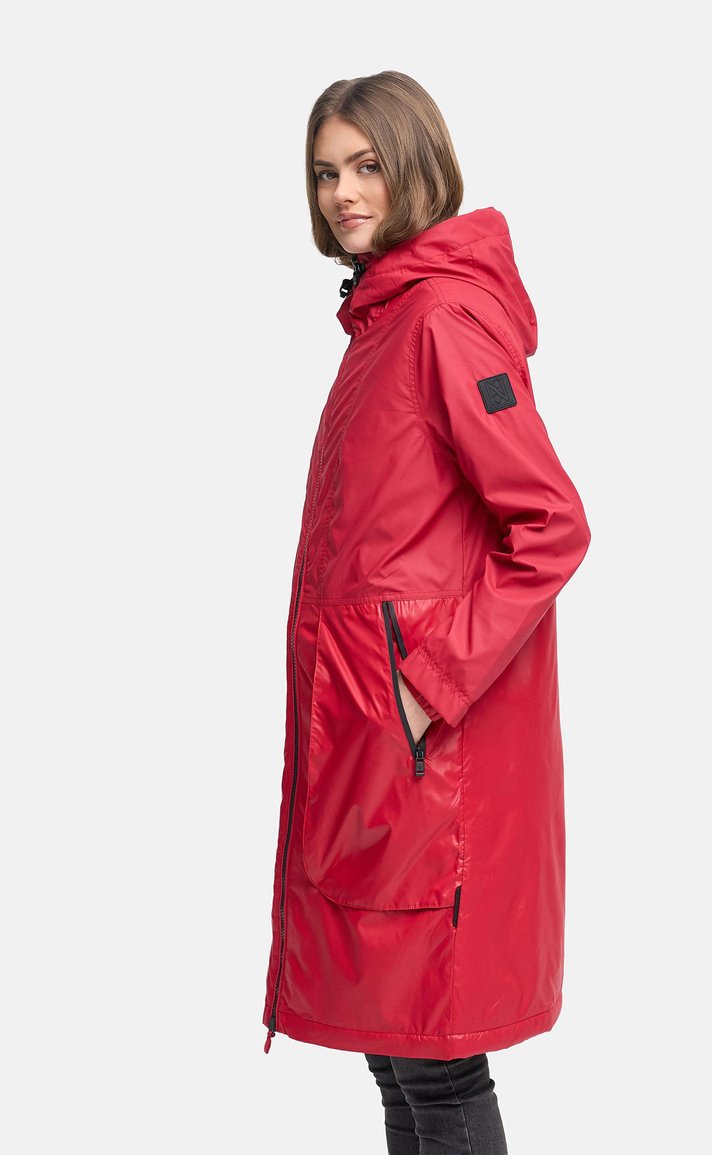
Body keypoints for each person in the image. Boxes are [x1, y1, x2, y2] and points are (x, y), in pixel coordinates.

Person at [261, 70, 592, 1155]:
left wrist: (423, 684)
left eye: (366, 167)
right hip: (369, 744)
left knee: (437, 1063)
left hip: (425, 759)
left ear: (417, 167)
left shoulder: (442, 320)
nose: (343, 194)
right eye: (325, 173)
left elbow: (548, 525)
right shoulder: (382, 324)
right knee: (395, 1051)